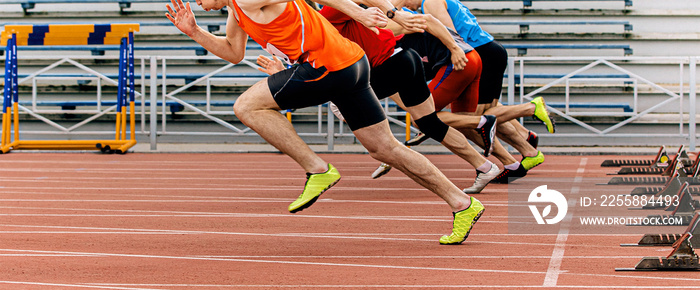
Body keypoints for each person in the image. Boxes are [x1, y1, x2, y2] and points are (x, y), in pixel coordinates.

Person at [166, 0, 483, 244]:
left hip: (327, 65)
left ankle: (317, 169)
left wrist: (366, 13)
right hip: (351, 64)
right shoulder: (237, 10)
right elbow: (234, 52)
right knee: (385, 148)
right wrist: (195, 32)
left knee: (246, 106)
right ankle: (461, 202)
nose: (196, 3)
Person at [258, 3, 502, 193]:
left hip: (388, 66)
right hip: (404, 60)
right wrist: (282, 71)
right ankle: (485, 166)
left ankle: (389, 148)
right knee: (428, 122)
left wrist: (392, 13)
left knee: (341, 103)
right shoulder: (308, 30)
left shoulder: (328, 13)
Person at [399, 0, 555, 183]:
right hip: (485, 50)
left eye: (406, 2)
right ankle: (527, 145)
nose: (407, 6)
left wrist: (455, 51)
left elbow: (451, 34)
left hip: (478, 53)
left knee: (476, 118)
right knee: (471, 116)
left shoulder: (431, 2)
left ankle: (529, 109)